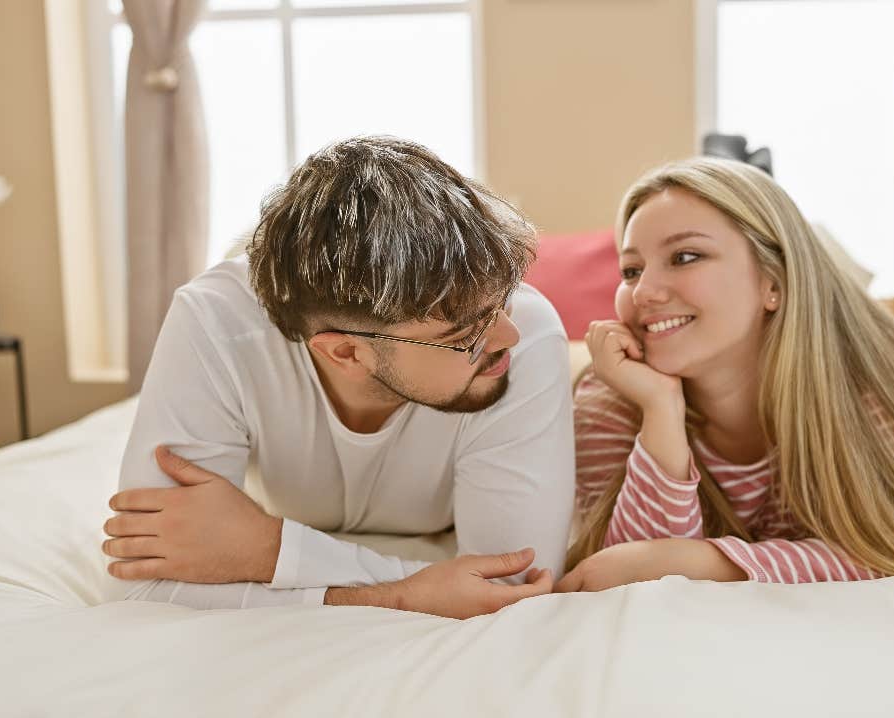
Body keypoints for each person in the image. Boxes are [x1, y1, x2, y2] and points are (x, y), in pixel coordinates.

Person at [102, 136, 574, 618]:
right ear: (346, 352)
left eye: (505, 299)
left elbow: (510, 586)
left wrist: (270, 550)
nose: (507, 335)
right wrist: (398, 594)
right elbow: (144, 584)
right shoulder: (216, 325)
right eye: (465, 336)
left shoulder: (530, 334)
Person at [556, 157, 894, 593]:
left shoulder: (869, 377)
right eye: (631, 269)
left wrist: (704, 563)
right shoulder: (611, 397)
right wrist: (660, 410)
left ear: (773, 282)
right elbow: (620, 577)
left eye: (685, 256)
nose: (645, 293)